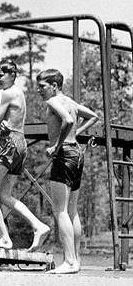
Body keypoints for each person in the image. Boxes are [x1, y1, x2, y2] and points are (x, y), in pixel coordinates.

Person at [0, 60, 51, 250]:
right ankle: (39, 226)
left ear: (12, 75)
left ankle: (4, 238)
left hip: (10, 143)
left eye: (0, 75)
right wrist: (4, 123)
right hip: (20, 143)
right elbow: (12, 119)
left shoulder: (8, 93)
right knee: (4, 195)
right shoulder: (19, 93)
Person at [37, 69, 99, 274]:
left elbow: (69, 121)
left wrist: (56, 145)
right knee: (72, 211)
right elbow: (93, 116)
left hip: (64, 155)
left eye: (42, 86)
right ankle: (76, 260)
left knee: (60, 210)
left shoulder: (53, 102)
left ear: (54, 86)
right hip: (77, 153)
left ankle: (70, 261)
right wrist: (76, 135)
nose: (39, 90)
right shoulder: (70, 102)